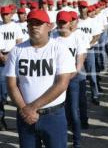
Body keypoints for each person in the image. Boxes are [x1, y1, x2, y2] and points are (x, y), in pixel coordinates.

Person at [5, 9, 76, 147]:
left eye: (39, 23)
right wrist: (25, 109)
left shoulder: (60, 49)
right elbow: (11, 84)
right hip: (25, 115)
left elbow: (61, 84)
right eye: (30, 23)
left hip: (53, 115)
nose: (34, 26)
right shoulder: (17, 50)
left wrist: (32, 107)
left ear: (49, 26)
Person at [52, 11, 87, 148]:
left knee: (73, 110)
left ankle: (77, 141)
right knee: (59, 110)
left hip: (73, 78)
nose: (62, 25)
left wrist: (72, 74)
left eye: (64, 22)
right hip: (56, 79)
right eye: (59, 22)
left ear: (69, 24)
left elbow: (80, 59)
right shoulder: (53, 38)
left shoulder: (76, 38)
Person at [0, 6, 23, 130]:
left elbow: (19, 42)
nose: (5, 16)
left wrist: (9, 55)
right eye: (3, 14)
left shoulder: (16, 26)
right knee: (2, 92)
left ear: (11, 14)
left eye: (7, 14)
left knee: (17, 89)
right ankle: (1, 119)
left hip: (12, 58)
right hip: (1, 59)